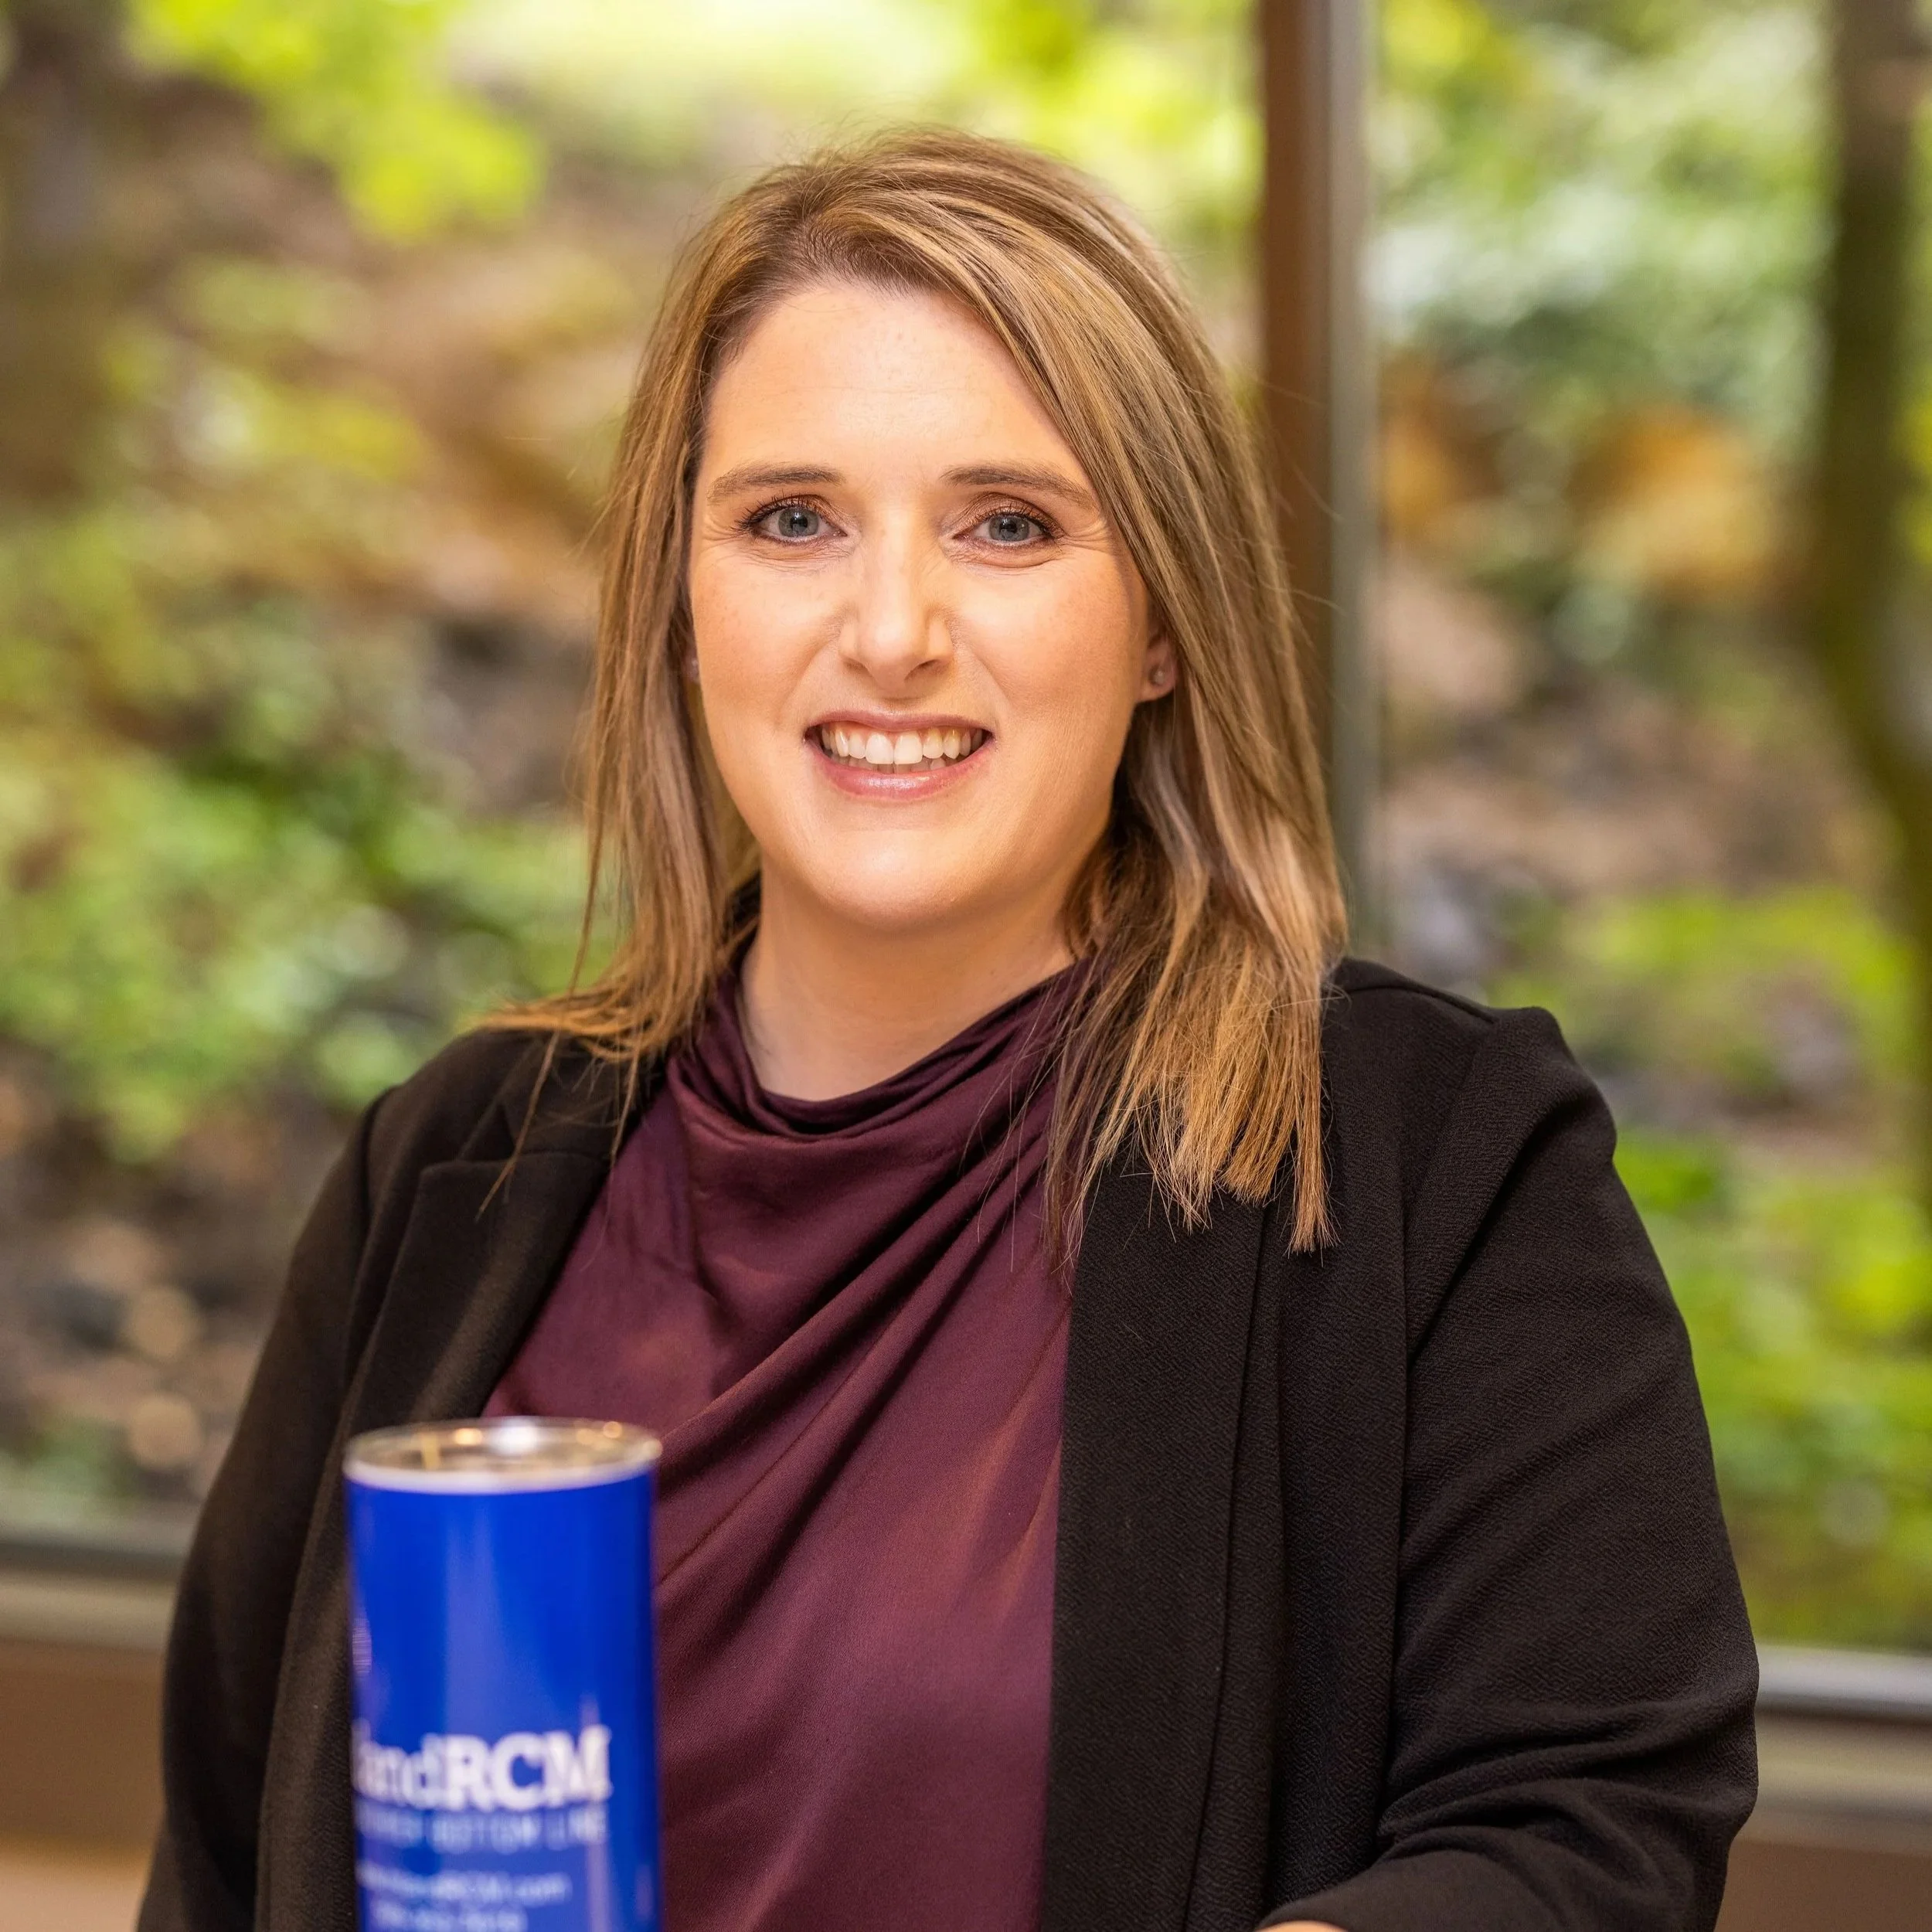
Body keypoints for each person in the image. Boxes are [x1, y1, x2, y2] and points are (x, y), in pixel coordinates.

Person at [138, 128, 1757, 1932]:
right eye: (791, 520)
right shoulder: (448, 1164)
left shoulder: (1424, 1156)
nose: (891, 629)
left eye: (1007, 524)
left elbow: (1582, 1834)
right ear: (682, 601)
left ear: (1160, 619)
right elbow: (221, 1854)